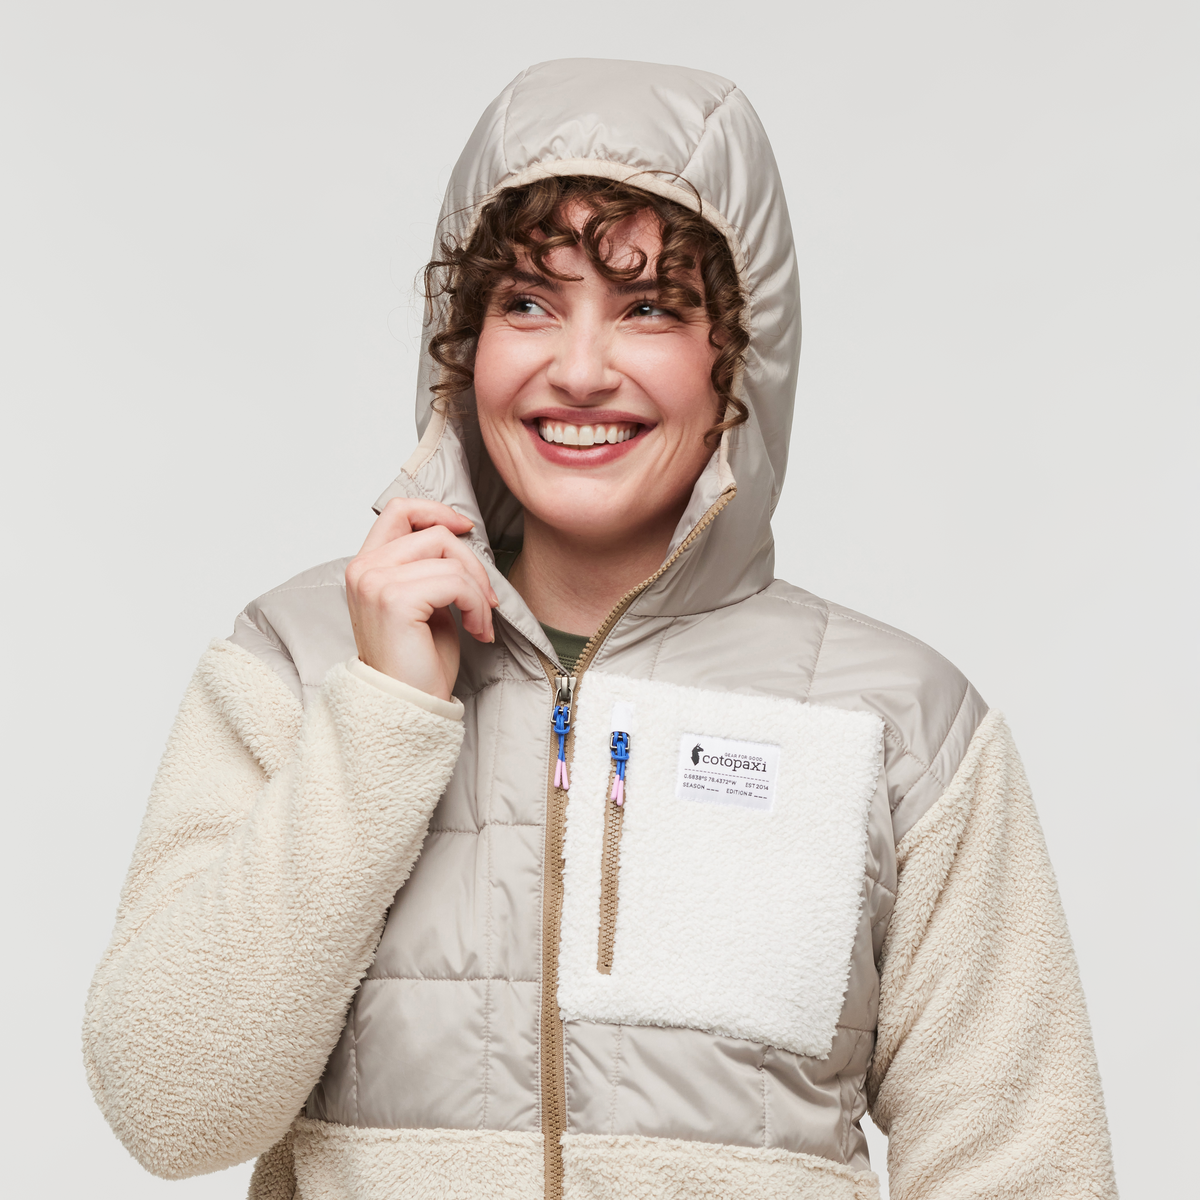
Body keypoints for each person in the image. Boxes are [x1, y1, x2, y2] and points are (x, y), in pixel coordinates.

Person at [83, 59, 1117, 1200]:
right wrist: (382, 720)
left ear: (740, 359)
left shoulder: (898, 723)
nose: (578, 371)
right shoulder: (299, 660)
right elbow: (169, 1108)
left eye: (649, 308)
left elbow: (1025, 1173)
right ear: (462, 343)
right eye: (527, 302)